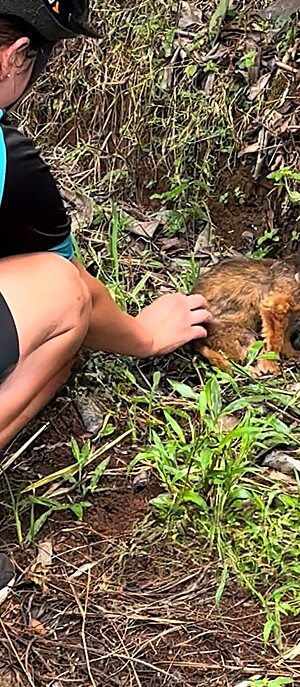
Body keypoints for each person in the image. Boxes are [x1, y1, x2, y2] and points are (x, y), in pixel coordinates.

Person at [0, 0, 211, 599]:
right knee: (63, 301)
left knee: (55, 355)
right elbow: (67, 284)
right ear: (16, 57)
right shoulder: (9, 162)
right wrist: (144, 336)